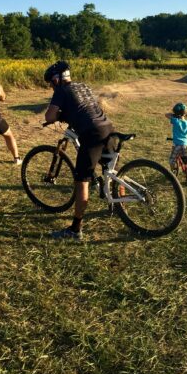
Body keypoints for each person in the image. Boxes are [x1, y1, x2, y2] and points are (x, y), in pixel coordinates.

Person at [38, 60, 115, 241]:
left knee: (82, 180)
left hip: (92, 132)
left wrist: (56, 116)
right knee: (110, 170)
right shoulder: (83, 86)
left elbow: (49, 115)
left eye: (50, 83)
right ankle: (117, 206)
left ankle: (75, 229)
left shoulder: (61, 91)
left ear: (56, 80)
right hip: (108, 127)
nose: (51, 86)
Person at [167, 102, 187, 185]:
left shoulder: (175, 121)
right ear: (185, 113)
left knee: (172, 160)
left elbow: (167, 115)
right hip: (186, 145)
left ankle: (173, 173)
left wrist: (174, 115)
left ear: (176, 113)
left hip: (177, 145)